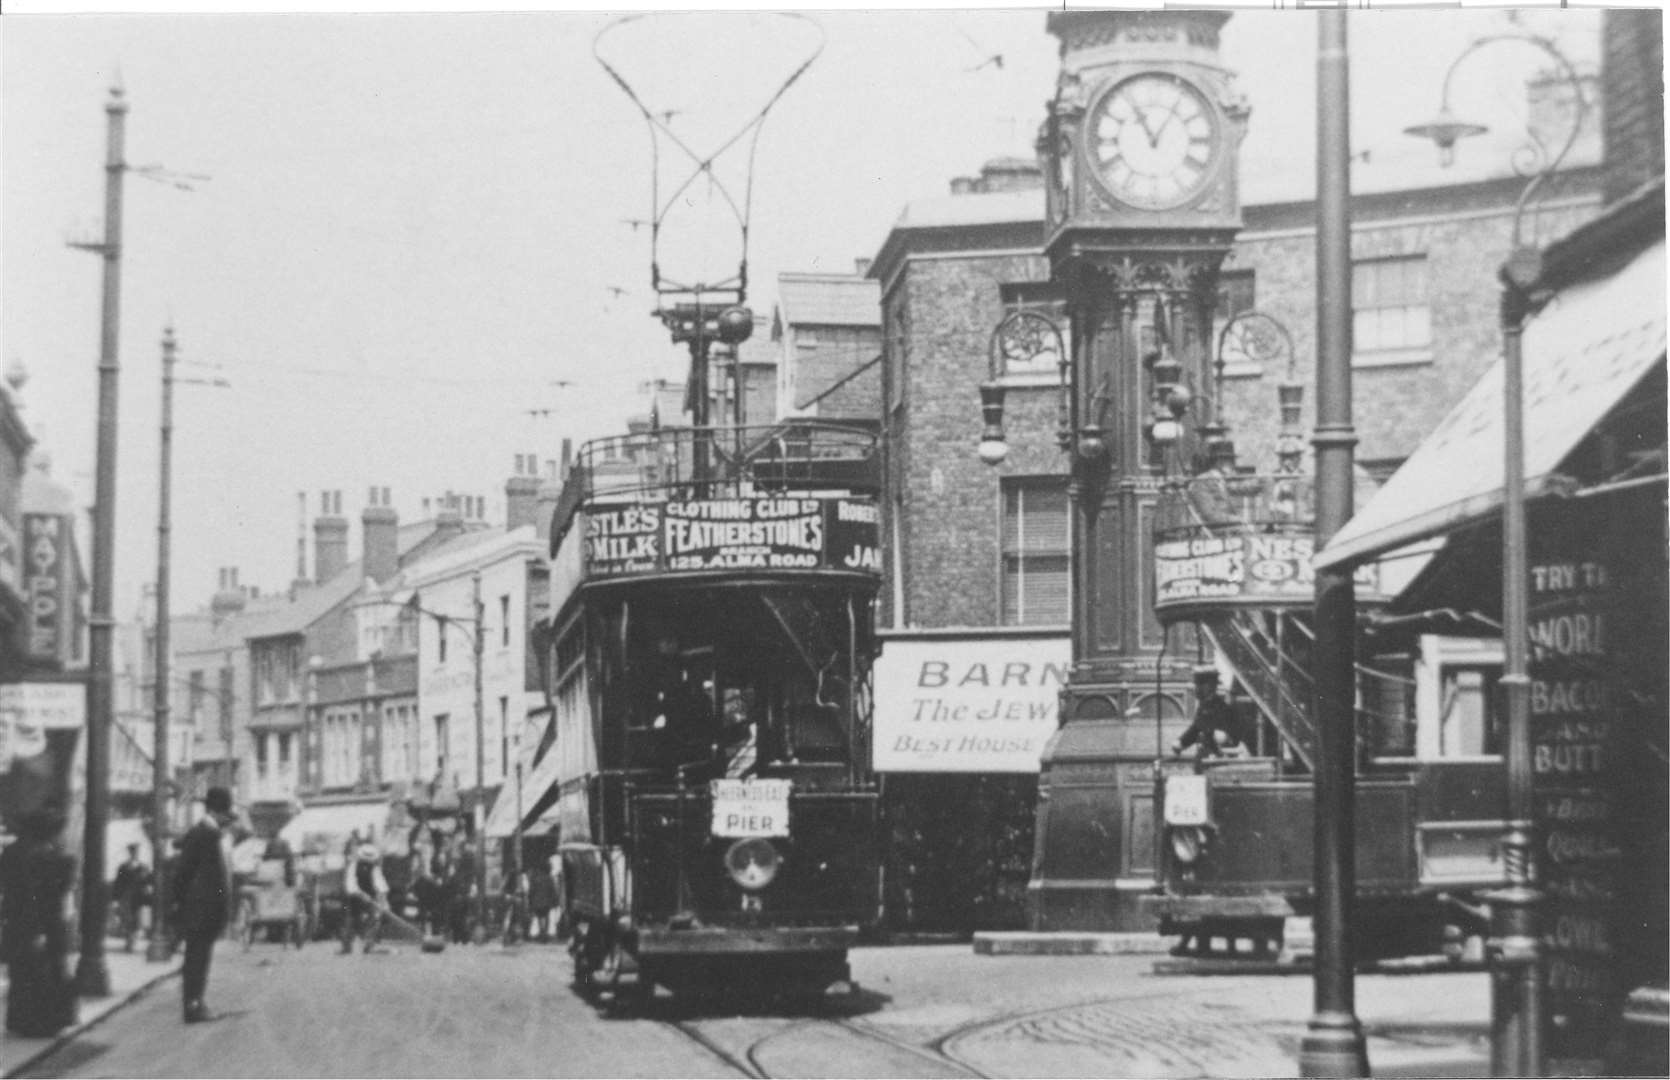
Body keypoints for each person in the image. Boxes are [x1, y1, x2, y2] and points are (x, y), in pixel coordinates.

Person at [0, 806, 78, 1038]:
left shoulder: (12, 852)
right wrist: (40, 930)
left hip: (17, 922)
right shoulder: (46, 856)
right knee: (45, 972)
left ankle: (22, 1021)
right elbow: (38, 895)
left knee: (22, 973)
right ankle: (44, 1022)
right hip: (43, 923)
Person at [171, 786, 237, 1024]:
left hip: (204, 909)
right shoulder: (202, 834)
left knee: (200, 957)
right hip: (199, 909)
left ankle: (196, 1002)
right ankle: (193, 1005)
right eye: (223, 813)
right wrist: (181, 904)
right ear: (215, 811)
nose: (225, 818)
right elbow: (183, 873)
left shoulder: (210, 833)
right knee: (197, 958)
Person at [1171, 667, 1246, 760]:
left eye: (1199, 685)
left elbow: (1213, 732)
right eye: (1197, 684)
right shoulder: (1204, 706)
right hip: (1208, 755)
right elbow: (1196, 728)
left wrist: (1181, 743)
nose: (1196, 689)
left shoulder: (1219, 706)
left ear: (1210, 686)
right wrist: (1181, 742)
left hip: (1220, 756)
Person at [340, 844, 389, 955]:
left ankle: (369, 946)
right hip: (354, 899)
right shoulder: (353, 866)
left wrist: (382, 901)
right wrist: (361, 895)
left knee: (374, 919)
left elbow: (381, 886)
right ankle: (346, 947)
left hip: (371, 900)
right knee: (350, 921)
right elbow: (350, 886)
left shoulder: (375, 869)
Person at [112, 842, 154, 952]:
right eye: (132, 852)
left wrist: (148, 888)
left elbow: (149, 881)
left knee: (137, 919)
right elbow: (118, 883)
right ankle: (129, 942)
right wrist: (116, 899)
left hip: (140, 897)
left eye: (136, 852)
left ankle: (132, 941)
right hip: (127, 896)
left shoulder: (143, 867)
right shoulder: (123, 867)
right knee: (127, 919)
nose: (134, 854)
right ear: (129, 853)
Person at [525, 858, 557, 942]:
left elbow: (531, 890)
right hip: (547, 902)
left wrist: (530, 900)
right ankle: (544, 934)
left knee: (539, 917)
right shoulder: (549, 878)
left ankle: (541, 933)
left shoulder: (535, 878)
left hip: (537, 902)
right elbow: (552, 890)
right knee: (546, 917)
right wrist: (554, 901)